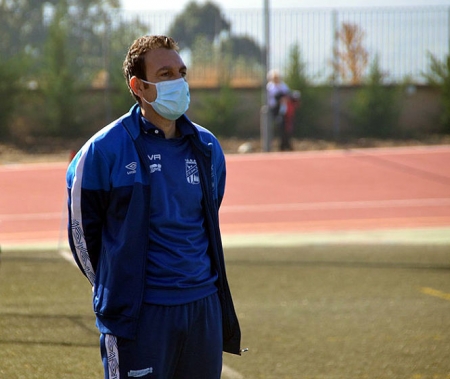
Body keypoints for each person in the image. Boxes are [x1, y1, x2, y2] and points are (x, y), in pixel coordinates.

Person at [66, 35, 242, 379]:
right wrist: (116, 286)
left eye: (181, 72)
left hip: (203, 307)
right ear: (139, 86)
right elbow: (82, 237)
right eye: (165, 74)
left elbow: (209, 213)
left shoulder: (207, 147)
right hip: (141, 314)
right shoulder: (103, 151)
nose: (178, 82)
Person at [266, 69, 290, 151]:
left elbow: (287, 95)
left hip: (282, 109)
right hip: (273, 109)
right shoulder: (269, 87)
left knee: (283, 127)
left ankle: (284, 144)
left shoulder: (283, 86)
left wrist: (283, 99)